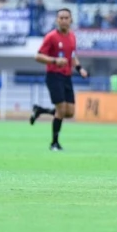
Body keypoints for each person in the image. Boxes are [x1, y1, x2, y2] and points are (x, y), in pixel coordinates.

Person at [29, 8, 88, 151]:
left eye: (66, 17)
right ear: (57, 20)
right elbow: (38, 56)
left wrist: (79, 68)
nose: (63, 20)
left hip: (67, 76)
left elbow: (72, 56)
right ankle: (54, 143)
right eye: (60, 18)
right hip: (54, 76)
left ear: (71, 20)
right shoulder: (51, 37)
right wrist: (54, 60)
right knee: (61, 110)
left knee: (70, 112)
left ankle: (40, 110)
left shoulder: (72, 37)